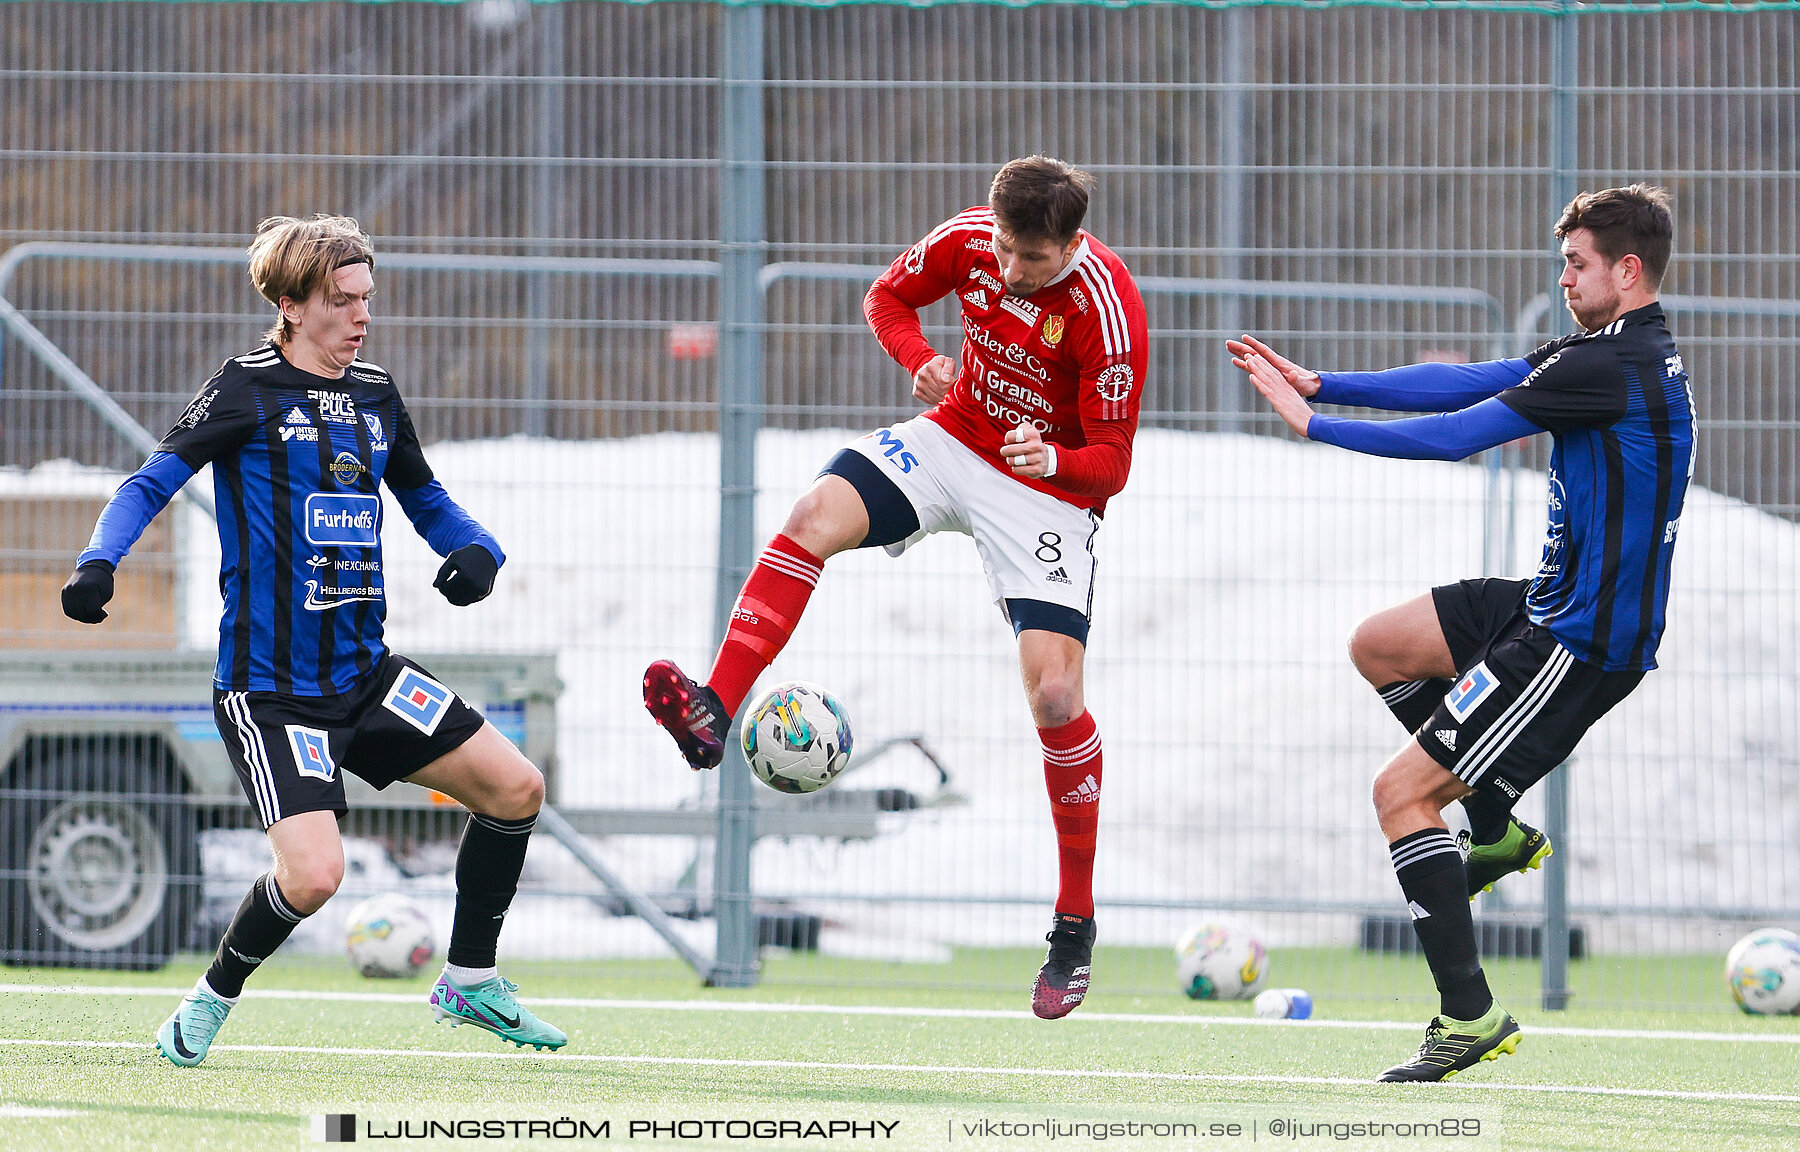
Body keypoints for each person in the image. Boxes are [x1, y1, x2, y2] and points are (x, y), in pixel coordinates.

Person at [643, 156, 1148, 1019]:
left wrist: (1055, 459)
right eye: (1004, 250)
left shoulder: (1109, 307)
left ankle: (1073, 925)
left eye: (1033, 259)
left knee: (1058, 697)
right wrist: (920, 359)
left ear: (1070, 244)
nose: (1012, 270)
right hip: (952, 439)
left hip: (1045, 491)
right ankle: (714, 711)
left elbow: (1114, 463)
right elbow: (887, 297)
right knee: (812, 514)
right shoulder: (969, 240)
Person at [59, 214, 567, 1066]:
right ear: (292, 304)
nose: (361, 315)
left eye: (367, 297)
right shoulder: (243, 391)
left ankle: (471, 980)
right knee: (315, 877)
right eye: (342, 300)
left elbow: (427, 498)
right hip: (271, 690)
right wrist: (98, 562)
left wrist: (475, 551)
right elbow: (150, 482)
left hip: (364, 678)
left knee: (516, 788)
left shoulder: (375, 394)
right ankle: (212, 995)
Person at [1229, 184, 1690, 1081]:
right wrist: (1326, 382)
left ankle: (1468, 1016)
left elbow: (1455, 434)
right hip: (1545, 601)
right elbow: (1477, 379)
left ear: (1626, 272)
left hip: (1578, 642)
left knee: (1401, 796)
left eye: (1578, 263)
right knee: (1381, 645)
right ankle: (1495, 826)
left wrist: (1315, 425)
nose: (1564, 277)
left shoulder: (1610, 370)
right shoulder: (1611, 352)